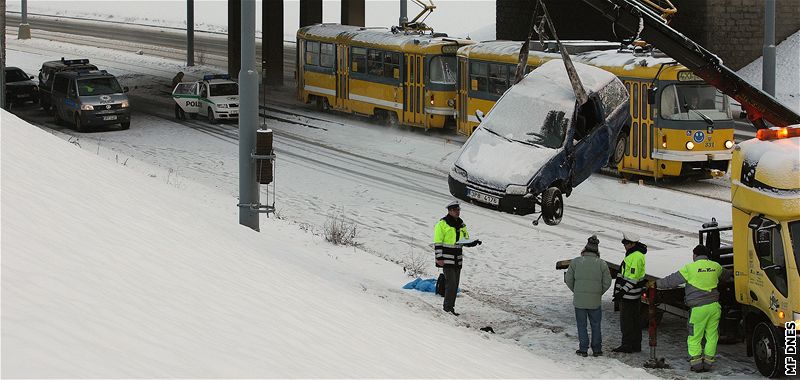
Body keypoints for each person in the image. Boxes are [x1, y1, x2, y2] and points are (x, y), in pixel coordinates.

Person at [655, 245, 727, 372]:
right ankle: (709, 363)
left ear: (695, 255)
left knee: (695, 336)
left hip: (698, 309)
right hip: (714, 307)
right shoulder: (716, 266)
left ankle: (697, 364)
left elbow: (672, 280)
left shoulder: (690, 268)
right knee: (712, 336)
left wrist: (656, 284)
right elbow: (727, 275)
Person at [564, 235, 612, 357]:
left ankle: (583, 349)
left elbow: (568, 279)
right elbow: (607, 281)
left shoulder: (576, 262)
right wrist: (598, 292)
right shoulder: (602, 264)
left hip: (579, 301)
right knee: (596, 325)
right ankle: (597, 350)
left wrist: (576, 291)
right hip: (595, 301)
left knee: (582, 325)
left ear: (584, 249)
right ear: (597, 251)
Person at [433, 200, 480, 316]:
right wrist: (439, 258)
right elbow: (438, 242)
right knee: (451, 284)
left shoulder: (461, 224)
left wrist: (472, 243)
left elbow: (464, 240)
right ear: (449, 211)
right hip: (446, 258)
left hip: (458, 259)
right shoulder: (442, 224)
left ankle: (451, 307)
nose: (457, 212)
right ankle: (447, 308)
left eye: (458, 210)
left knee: (455, 284)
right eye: (455, 210)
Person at [612, 231, 647, 353]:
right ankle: (635, 345)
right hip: (633, 294)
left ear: (632, 244)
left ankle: (627, 345)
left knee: (627, 321)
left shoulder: (635, 256)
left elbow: (633, 278)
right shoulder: (634, 254)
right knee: (634, 320)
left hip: (629, 295)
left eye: (626, 243)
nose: (624, 245)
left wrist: (621, 292)